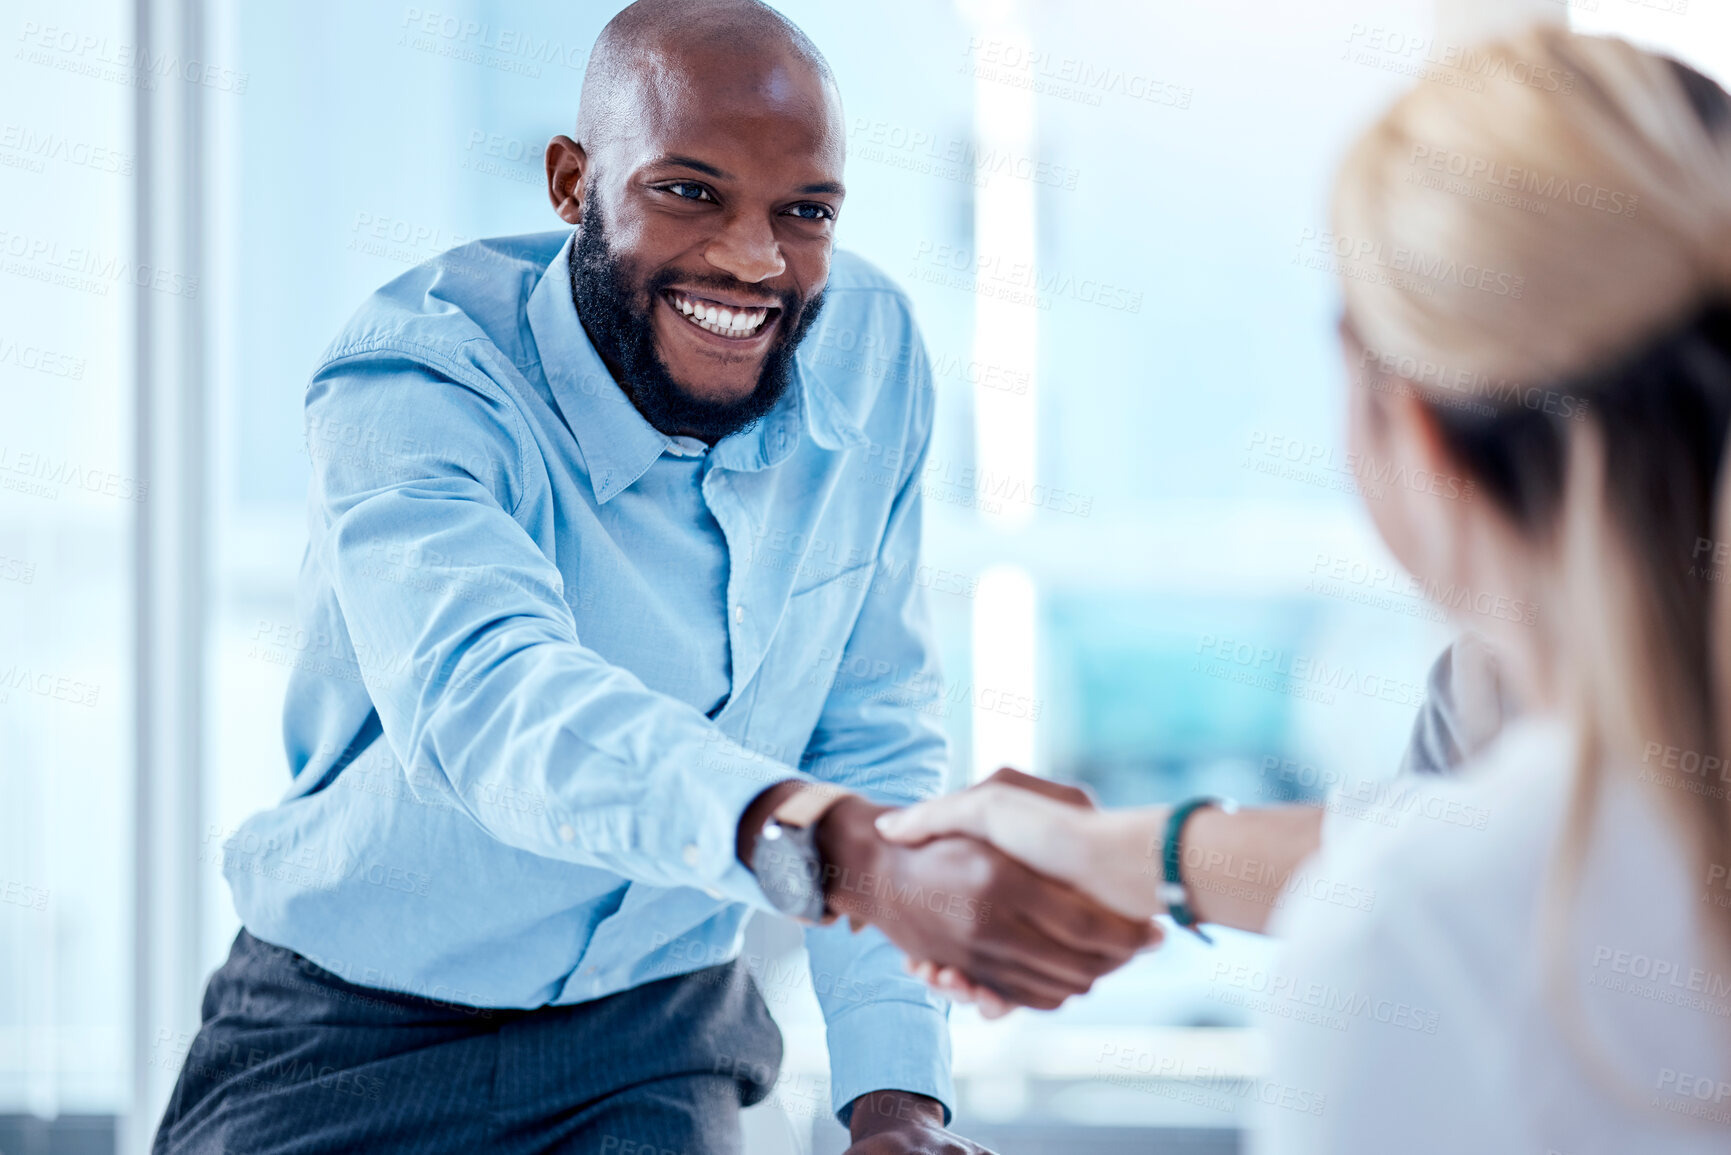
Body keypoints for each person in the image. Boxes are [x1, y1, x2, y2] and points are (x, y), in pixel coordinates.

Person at [153, 3, 1156, 1153]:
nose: (751, 258)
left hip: (657, 1027)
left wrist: (894, 1104)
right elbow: (493, 701)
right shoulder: (414, 381)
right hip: (352, 1035)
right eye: (689, 191)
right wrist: (837, 851)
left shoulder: (868, 349)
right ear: (574, 182)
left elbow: (866, 727)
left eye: (805, 212)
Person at [878, 25, 1731, 1153]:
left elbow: (1454, 878)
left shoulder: (1420, 933)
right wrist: (1134, 856)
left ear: (1411, 422)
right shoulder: (1486, 780)